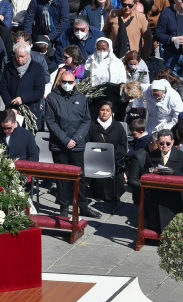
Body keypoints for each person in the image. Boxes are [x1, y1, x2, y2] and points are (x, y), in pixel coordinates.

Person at [46, 68, 93, 217]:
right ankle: (63, 208)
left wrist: (76, 139)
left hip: (77, 144)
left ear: (75, 82)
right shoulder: (52, 98)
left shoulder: (81, 97)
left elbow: (86, 121)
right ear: (60, 82)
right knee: (62, 178)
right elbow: (51, 122)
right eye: (64, 82)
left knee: (80, 176)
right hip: (59, 145)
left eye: (70, 82)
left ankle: (83, 206)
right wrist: (66, 140)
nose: (67, 84)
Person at [142, 129, 183, 232]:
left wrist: (173, 172)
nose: (164, 146)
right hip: (155, 194)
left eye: (168, 143)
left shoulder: (182, 157)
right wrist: (152, 170)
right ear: (157, 143)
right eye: (161, 143)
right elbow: (144, 172)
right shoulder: (151, 155)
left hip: (174, 195)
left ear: (172, 142)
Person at [86, 100, 128, 205]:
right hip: (95, 161)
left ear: (111, 112)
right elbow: (86, 143)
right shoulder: (91, 126)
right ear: (98, 111)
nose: (105, 112)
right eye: (102, 110)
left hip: (113, 161)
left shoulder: (118, 127)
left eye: (107, 110)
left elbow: (123, 146)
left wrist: (111, 155)